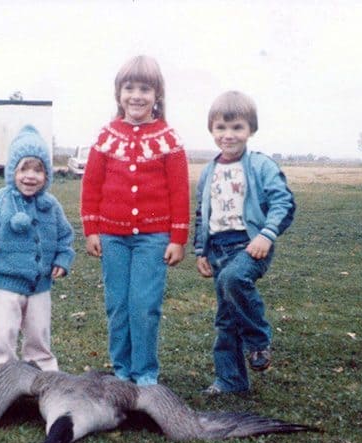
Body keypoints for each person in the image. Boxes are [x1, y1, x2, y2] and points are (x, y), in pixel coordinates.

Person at [80, 55, 190, 386]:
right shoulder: (106, 136)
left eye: (145, 88)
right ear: (119, 93)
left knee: (144, 306)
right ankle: (121, 371)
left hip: (153, 238)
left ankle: (144, 375)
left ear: (158, 95)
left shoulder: (168, 138)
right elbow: (91, 185)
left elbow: (179, 190)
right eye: (129, 88)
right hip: (112, 236)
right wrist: (91, 229)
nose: (137, 96)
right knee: (118, 305)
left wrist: (177, 237)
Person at [194, 91, 295, 395]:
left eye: (237, 127)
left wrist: (267, 234)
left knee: (234, 278)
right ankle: (231, 380)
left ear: (251, 129)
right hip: (218, 249)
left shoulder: (261, 165)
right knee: (226, 318)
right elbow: (202, 213)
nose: (228, 135)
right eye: (220, 128)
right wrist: (201, 250)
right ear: (211, 130)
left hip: (250, 245)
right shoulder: (208, 172)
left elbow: (284, 202)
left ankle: (258, 340)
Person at [0, 125, 75, 377]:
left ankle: (45, 374)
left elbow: (65, 236)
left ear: (47, 175)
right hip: (4, 286)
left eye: (38, 170)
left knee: (39, 333)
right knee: (3, 333)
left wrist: (63, 258)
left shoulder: (51, 206)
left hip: (40, 287)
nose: (30, 176)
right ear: (12, 171)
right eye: (23, 168)